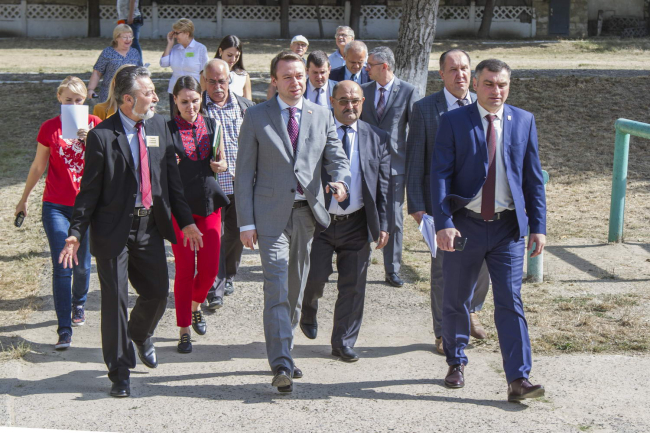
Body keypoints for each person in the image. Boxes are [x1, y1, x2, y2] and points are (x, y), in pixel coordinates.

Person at [59, 66, 203, 399]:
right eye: (148, 92)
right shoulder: (102, 136)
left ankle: (139, 333)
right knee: (115, 301)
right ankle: (120, 373)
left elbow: (171, 182)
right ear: (128, 99)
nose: (155, 98)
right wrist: (76, 232)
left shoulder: (158, 126)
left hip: (149, 226)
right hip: (113, 231)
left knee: (157, 293)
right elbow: (89, 192)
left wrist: (186, 221)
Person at [235, 50, 351, 393]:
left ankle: (285, 346)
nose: (295, 82)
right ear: (274, 81)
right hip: (269, 216)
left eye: (299, 75)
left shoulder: (321, 115)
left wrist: (341, 181)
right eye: (287, 76)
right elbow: (244, 173)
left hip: (306, 215)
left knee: (295, 288)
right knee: (276, 285)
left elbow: (337, 158)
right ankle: (282, 363)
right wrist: (245, 223)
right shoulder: (256, 116)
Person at [431, 59, 546, 402]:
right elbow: (439, 176)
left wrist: (538, 226)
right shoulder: (453, 121)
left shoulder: (523, 120)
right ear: (475, 85)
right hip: (464, 225)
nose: (497, 91)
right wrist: (444, 223)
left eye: (502, 85)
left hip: (507, 228)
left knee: (510, 300)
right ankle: (456, 361)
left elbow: (533, 179)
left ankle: (519, 379)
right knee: (456, 298)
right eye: (489, 84)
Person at [405, 49, 491, 355]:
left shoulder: (484, 105)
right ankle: (444, 332)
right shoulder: (425, 109)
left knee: (483, 262)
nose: (460, 75)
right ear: (441, 74)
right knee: (444, 271)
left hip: (481, 204)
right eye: (453, 69)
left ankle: (472, 311)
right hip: (441, 207)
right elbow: (415, 160)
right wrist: (417, 206)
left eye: (465, 68)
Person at [300, 81, 391, 362]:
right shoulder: (316, 132)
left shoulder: (377, 137)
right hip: (320, 221)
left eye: (355, 101)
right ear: (332, 101)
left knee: (353, 286)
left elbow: (384, 186)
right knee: (314, 277)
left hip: (357, 222)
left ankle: (343, 341)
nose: (349, 106)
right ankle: (308, 307)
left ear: (363, 102)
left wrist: (384, 224)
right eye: (343, 101)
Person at [15, 77, 101, 350]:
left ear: (85, 100)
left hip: (86, 207)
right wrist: (24, 199)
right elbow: (38, 166)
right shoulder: (49, 128)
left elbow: (108, 166)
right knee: (63, 264)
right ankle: (64, 329)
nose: (74, 105)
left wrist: (92, 142)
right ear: (59, 99)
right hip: (55, 206)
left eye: (79, 100)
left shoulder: (96, 125)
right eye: (68, 100)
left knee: (83, 265)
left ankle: (79, 303)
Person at [168, 76, 229, 353]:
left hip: (209, 204)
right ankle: (183, 330)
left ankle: (194, 307)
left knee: (209, 271)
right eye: (184, 102)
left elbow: (222, 159)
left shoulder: (213, 124)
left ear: (201, 98)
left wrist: (221, 165)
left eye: (194, 100)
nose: (190, 107)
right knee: (184, 271)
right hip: (180, 210)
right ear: (175, 101)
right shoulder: (166, 129)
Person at [360, 46, 418, 288]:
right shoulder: (363, 90)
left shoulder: (407, 91)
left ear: (384, 66)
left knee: (393, 218)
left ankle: (392, 269)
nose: (366, 69)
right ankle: (358, 265)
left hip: (395, 166)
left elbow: (414, 130)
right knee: (362, 215)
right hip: (366, 164)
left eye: (370, 65)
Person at [200, 59, 255, 310]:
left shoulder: (246, 107)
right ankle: (215, 289)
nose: (217, 86)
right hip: (211, 186)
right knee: (214, 237)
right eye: (211, 81)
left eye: (221, 81)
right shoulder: (197, 108)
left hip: (241, 185)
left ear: (229, 80)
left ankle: (229, 275)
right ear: (204, 81)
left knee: (234, 235)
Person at [160, 19, 209, 117]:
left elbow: (205, 72)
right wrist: (169, 44)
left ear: (187, 33)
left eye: (177, 33)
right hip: (175, 90)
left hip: (194, 92)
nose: (175, 36)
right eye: (174, 33)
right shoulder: (175, 49)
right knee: (176, 119)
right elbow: (163, 63)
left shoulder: (200, 48)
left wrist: (202, 92)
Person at [88, 24, 143, 103]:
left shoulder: (135, 52)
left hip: (129, 95)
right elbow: (97, 72)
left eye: (130, 37)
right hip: (109, 94)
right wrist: (91, 89)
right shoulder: (108, 52)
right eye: (125, 37)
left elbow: (140, 74)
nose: (128, 39)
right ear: (116, 38)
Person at [266, 35, 310, 100]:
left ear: (306, 48)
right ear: (291, 46)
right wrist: (269, 103)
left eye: (303, 45)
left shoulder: (309, 65)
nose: (300, 47)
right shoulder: (281, 64)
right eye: (297, 44)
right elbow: (273, 87)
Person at [214, 35, 252, 100]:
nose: (233, 59)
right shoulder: (208, 73)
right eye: (229, 55)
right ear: (220, 51)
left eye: (237, 56)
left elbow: (248, 102)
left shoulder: (243, 75)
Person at [116, 0, 143, 65]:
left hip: (131, 18)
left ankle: (139, 64)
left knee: (133, 42)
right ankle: (128, 63)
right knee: (123, 42)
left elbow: (132, 1)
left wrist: (130, 16)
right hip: (123, 18)